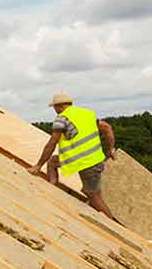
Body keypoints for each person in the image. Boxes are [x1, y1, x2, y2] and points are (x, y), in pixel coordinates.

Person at [29, 92, 118, 221]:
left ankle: (111, 222)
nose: (55, 110)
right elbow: (107, 127)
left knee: (93, 195)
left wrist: (38, 166)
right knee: (53, 162)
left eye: (54, 108)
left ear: (58, 106)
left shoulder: (62, 119)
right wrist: (111, 148)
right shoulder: (87, 114)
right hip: (94, 159)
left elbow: (52, 143)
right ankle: (52, 189)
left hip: (85, 163)